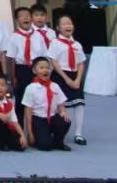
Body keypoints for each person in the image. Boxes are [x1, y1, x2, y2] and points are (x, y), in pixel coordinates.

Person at [49, 14, 86, 145]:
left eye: (69, 23)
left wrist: (78, 79)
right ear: (58, 28)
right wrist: (66, 79)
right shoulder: (55, 43)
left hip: (75, 75)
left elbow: (81, 63)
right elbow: (54, 62)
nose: (68, 26)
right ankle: (57, 132)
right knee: (58, 105)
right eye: (64, 24)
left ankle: (78, 134)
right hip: (60, 75)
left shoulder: (77, 44)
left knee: (79, 103)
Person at [22, 56, 71, 151]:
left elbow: (60, 103)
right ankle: (43, 136)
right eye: (41, 68)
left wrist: (63, 112)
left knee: (65, 121)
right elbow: (28, 112)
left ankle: (58, 142)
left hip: (52, 117)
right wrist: (29, 133)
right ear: (34, 71)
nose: (45, 70)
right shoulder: (31, 88)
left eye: (48, 68)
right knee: (45, 146)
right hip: (38, 119)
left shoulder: (55, 86)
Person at [2, 6, 43, 120]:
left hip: (37, 69)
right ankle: (19, 128)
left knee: (37, 101)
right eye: (22, 16)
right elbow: (10, 59)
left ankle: (36, 127)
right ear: (17, 20)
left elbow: (44, 56)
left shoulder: (38, 35)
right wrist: (12, 78)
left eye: (28, 16)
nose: (25, 18)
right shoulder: (13, 37)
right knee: (21, 101)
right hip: (21, 70)